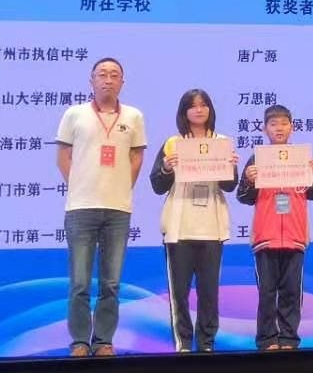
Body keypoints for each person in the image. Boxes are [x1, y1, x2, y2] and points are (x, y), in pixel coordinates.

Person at [54, 57, 147, 357]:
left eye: (114, 75)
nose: (108, 79)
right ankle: (80, 341)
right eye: (102, 74)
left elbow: (136, 157)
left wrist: (121, 186)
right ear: (91, 80)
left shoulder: (134, 116)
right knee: (80, 282)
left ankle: (104, 340)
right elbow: (63, 156)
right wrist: (80, 185)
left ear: (122, 82)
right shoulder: (74, 114)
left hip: (118, 210)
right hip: (81, 208)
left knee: (111, 282)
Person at [148, 88, 239, 352]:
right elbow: (157, 185)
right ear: (184, 112)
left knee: (209, 291)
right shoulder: (173, 143)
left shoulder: (222, 142)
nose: (199, 110)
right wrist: (167, 167)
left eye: (203, 105)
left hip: (212, 226)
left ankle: (207, 343)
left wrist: (231, 166)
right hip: (180, 227)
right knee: (180, 292)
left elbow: (230, 185)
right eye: (193, 106)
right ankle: (184, 344)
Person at [236, 104, 313, 351]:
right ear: (264, 129)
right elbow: (243, 196)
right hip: (266, 236)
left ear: (292, 127)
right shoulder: (257, 159)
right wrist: (249, 180)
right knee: (267, 292)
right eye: (273, 124)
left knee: (291, 291)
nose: (279, 128)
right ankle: (267, 339)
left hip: (295, 236)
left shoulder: (302, 158)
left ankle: (288, 339)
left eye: (284, 123)